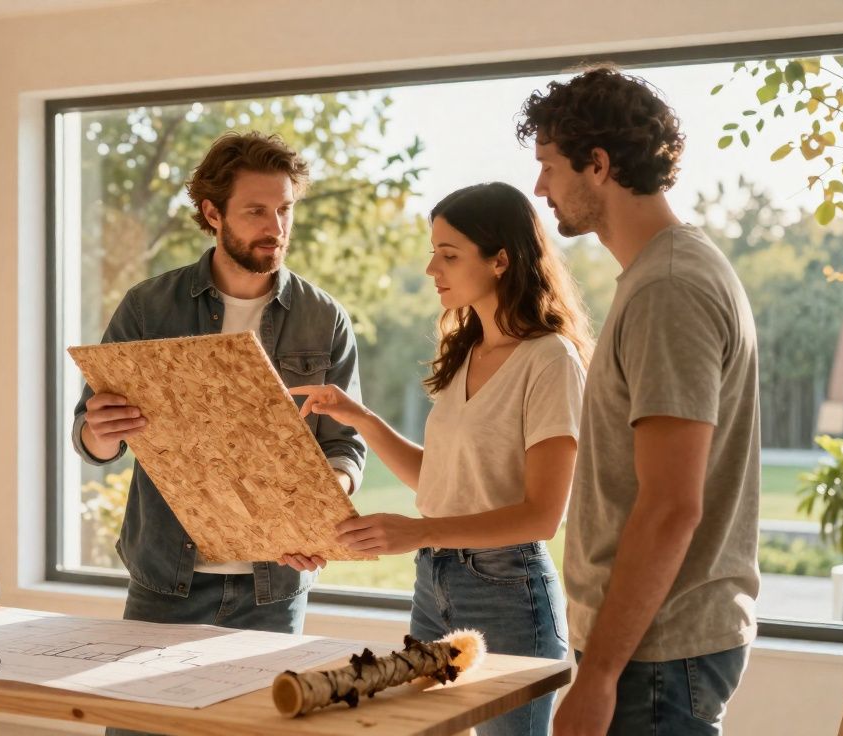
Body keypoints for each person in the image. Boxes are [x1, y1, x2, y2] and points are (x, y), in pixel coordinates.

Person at [287, 181, 591, 736]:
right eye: (434, 253)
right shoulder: (466, 351)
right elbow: (442, 478)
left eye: (448, 255)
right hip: (434, 585)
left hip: (510, 593)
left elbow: (541, 515)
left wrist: (420, 531)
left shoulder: (551, 360)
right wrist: (364, 421)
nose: (432, 269)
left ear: (500, 260)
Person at [516, 67, 760, 735]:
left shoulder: (668, 289)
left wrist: (597, 677)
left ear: (597, 165)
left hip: (656, 656)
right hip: (653, 648)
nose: (540, 188)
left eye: (549, 166)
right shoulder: (660, 274)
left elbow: (671, 505)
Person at [72, 131, 367, 638]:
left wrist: (316, 510)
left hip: (277, 584)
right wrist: (102, 430)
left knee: (260, 720)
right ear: (213, 214)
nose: (275, 227)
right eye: (256, 211)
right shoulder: (148, 307)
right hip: (165, 579)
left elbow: (345, 446)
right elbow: (91, 437)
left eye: (285, 210)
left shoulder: (324, 318)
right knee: (144, 719)